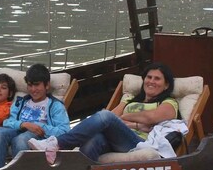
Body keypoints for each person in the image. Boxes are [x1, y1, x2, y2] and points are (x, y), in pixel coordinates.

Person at [29, 62, 179, 162]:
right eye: (149, 77)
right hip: (116, 139)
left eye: (157, 79)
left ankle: (58, 142)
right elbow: (111, 119)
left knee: (105, 116)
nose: (151, 81)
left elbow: (150, 117)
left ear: (166, 85)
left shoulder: (168, 103)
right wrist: (136, 124)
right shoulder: (129, 100)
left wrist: (123, 119)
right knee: (94, 140)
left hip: (139, 142)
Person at [0, 63, 71, 170]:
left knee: (20, 140)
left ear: (47, 85)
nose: (33, 89)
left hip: (39, 134)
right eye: (30, 85)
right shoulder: (21, 101)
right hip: (19, 128)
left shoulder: (55, 106)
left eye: (37, 85)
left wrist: (38, 126)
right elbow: (7, 121)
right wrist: (24, 124)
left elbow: (64, 131)